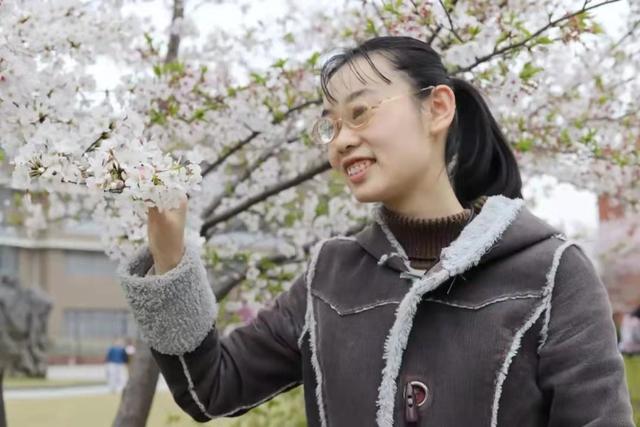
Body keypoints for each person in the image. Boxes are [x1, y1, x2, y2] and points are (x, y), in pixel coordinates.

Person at [118, 36, 635, 426]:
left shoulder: (550, 272)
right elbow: (212, 386)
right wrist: (169, 252)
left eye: (360, 112)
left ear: (437, 109)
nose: (341, 140)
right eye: (331, 124)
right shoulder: (330, 273)